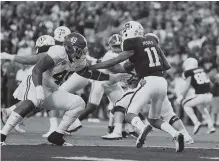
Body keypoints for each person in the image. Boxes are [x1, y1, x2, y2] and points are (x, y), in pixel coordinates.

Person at [0, 32, 130, 146]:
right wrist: (39, 89)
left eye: (82, 49)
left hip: (52, 90)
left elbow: (90, 74)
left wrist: (113, 77)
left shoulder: (79, 61)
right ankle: (2, 135)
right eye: (79, 50)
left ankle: (56, 135)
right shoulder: (58, 52)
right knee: (32, 102)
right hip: (36, 81)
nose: (82, 52)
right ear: (69, 48)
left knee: (78, 103)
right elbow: (37, 69)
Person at [89, 21, 185, 152]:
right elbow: (167, 66)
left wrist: (92, 66)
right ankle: (176, 134)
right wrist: (140, 64)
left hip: (148, 82)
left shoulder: (132, 43)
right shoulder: (152, 40)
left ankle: (141, 127)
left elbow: (114, 61)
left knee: (129, 114)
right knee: (154, 119)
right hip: (162, 82)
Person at [102, 33, 193, 145]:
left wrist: (132, 72)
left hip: (146, 84)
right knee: (167, 115)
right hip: (161, 85)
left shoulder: (139, 50)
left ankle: (125, 130)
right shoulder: (157, 53)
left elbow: (127, 67)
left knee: (122, 105)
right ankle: (185, 136)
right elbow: (167, 66)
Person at [66, 34, 127, 134]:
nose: (117, 49)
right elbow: (115, 69)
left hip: (113, 84)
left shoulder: (124, 54)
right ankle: (71, 124)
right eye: (115, 46)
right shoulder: (109, 55)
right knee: (92, 107)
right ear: (110, 46)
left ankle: (117, 128)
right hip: (101, 82)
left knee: (123, 106)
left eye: (118, 46)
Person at [176, 58, 216, 134]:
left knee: (185, 104)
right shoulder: (202, 70)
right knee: (201, 108)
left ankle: (196, 122)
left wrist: (181, 97)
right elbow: (210, 83)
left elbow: (187, 86)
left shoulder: (189, 72)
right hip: (209, 95)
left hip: (201, 96)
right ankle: (211, 126)